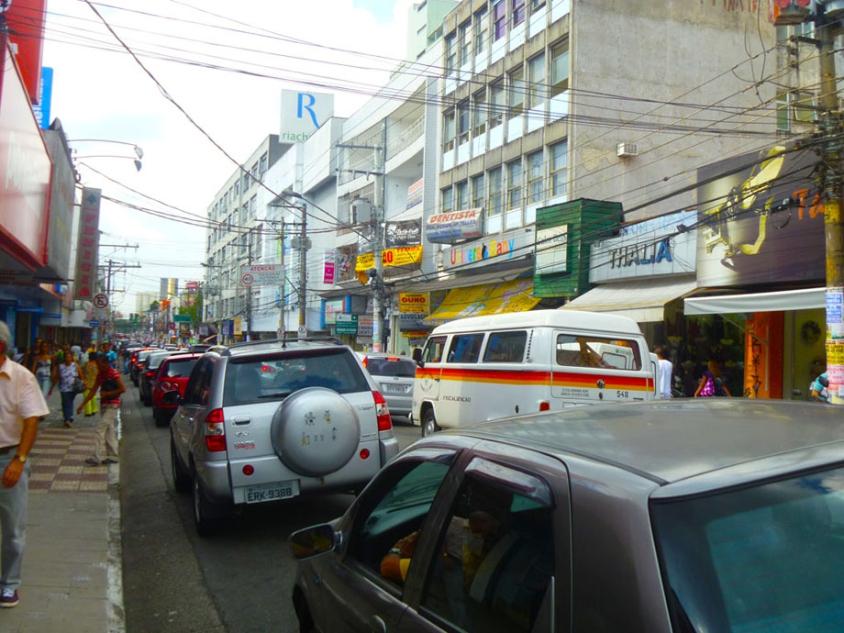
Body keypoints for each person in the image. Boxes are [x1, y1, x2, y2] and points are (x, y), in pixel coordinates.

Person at [0, 320, 49, 608]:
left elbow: (32, 420)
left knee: (13, 530)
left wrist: (19, 459)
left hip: (8, 457)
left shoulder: (21, 377)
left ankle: (8, 585)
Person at [77, 354, 125, 466]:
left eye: (100, 365)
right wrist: (82, 405)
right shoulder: (101, 375)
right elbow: (93, 391)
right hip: (104, 405)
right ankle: (113, 456)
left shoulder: (113, 373)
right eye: (97, 365)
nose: (98, 367)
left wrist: (107, 393)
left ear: (106, 363)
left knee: (100, 429)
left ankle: (96, 457)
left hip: (113, 405)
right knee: (109, 430)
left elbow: (123, 388)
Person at [50, 351, 84, 428]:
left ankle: (68, 417)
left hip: (74, 388)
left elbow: (81, 375)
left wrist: (82, 383)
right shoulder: (60, 366)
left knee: (69, 402)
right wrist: (53, 385)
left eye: (69, 357)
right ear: (64, 358)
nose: (68, 358)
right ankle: (68, 418)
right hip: (64, 388)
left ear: (72, 357)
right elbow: (58, 376)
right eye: (66, 357)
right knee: (66, 402)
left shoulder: (75, 365)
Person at [82, 352, 100, 417]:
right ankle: (94, 410)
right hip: (95, 383)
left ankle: (88, 411)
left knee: (86, 396)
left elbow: (83, 372)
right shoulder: (97, 365)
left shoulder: (86, 364)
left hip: (87, 382)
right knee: (93, 396)